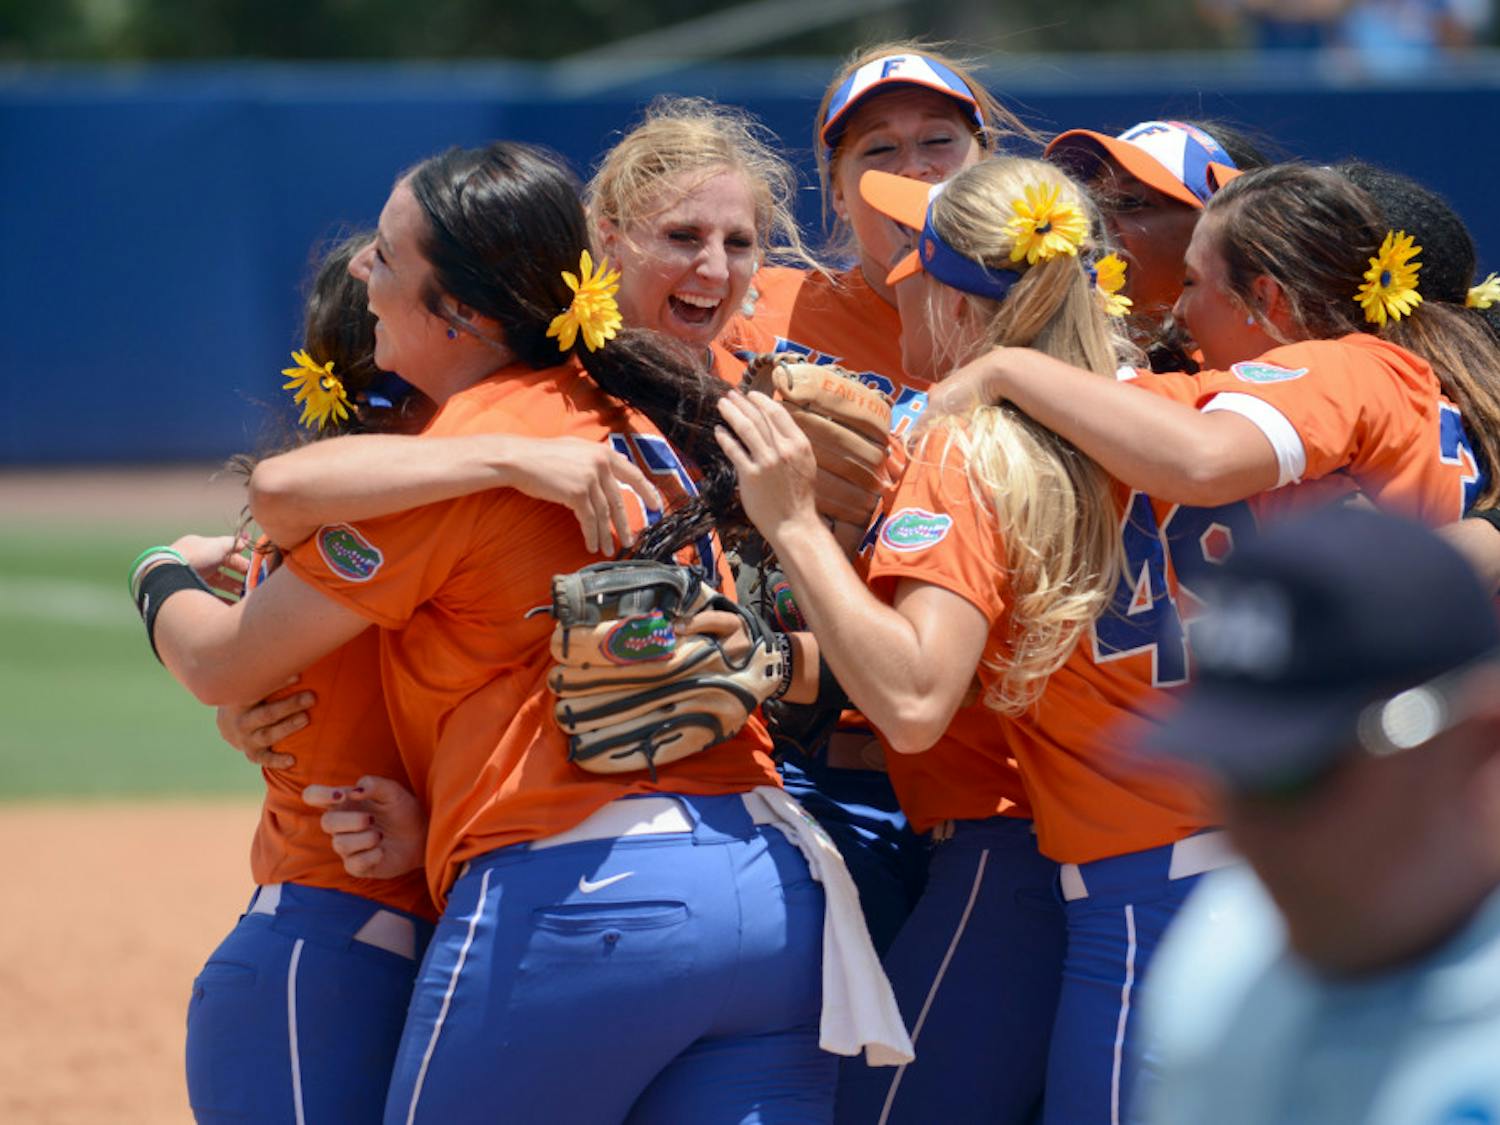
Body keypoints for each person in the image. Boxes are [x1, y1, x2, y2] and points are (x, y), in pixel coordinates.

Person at [131, 141, 852, 1123]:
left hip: (588, 898)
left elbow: (231, 637)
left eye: (385, 254)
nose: (359, 271)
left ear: (462, 314)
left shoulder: (473, 452)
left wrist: (158, 573)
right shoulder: (646, 413)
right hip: (774, 897)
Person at [718, 155, 1236, 1124]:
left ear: (957, 309)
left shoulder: (971, 445)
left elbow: (914, 704)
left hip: (1086, 873)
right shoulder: (1184, 404)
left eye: (914, 265)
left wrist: (791, 523)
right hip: (1257, 856)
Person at [167, 233, 439, 1125]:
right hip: (326, 951)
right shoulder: (358, 520)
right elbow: (226, 670)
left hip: (403, 944)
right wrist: (154, 570)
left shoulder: (394, 507)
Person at [1135, 507, 1500, 1125]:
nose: (1248, 837)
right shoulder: (1218, 966)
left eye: (1293, 775)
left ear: (1479, 741)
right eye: (1229, 772)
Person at [926, 163, 1496, 526]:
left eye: (1193, 283)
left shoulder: (1339, 367)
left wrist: (1008, 367)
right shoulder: (1372, 372)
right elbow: (1143, 408)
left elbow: (1201, 461)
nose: (1177, 309)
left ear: (1267, 298)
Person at [1044, 118, 1270, 371]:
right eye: (1092, 201)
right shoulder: (1042, 355)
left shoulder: (1271, 382)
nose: (1088, 221)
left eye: (1130, 202)